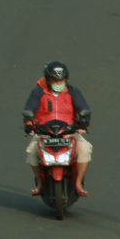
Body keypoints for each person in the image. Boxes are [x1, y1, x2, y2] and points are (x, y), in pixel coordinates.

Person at [22, 61, 91, 198]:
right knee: (31, 151)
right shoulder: (38, 92)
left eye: (61, 80)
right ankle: (40, 184)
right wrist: (29, 125)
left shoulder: (73, 91)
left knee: (85, 148)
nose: (58, 83)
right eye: (55, 80)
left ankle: (78, 183)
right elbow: (29, 109)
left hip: (69, 132)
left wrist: (83, 124)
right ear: (48, 79)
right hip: (44, 133)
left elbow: (83, 109)